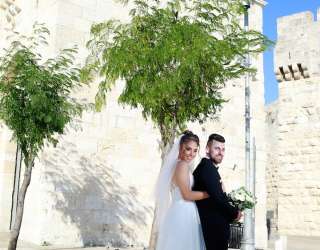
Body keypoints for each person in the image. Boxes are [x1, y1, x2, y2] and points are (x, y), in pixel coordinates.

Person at [154, 131, 208, 250]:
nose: (192, 154)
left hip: (178, 211)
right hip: (184, 212)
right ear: (181, 147)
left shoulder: (177, 165)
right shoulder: (182, 165)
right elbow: (187, 195)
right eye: (188, 149)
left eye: (195, 150)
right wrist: (209, 193)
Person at [193, 133, 242, 250]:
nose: (221, 152)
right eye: (217, 148)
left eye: (223, 149)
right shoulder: (207, 167)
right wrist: (235, 213)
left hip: (214, 230)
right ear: (207, 149)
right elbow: (218, 198)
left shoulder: (208, 167)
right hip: (212, 232)